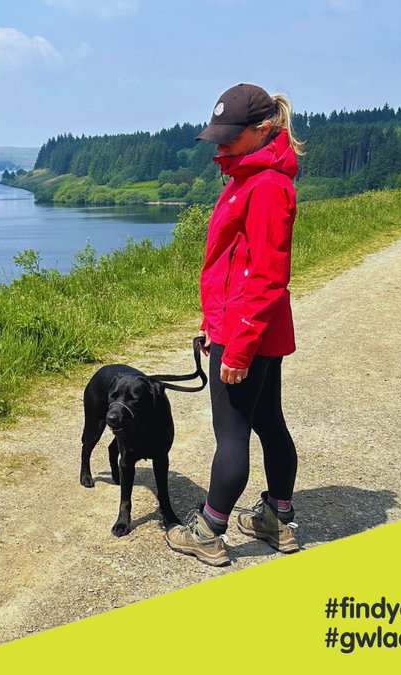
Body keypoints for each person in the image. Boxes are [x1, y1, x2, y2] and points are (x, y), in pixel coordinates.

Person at [165, 83, 304, 566]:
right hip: (249, 324)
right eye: (216, 136)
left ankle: (207, 530)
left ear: (263, 129)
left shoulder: (264, 186)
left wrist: (238, 347)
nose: (219, 145)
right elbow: (233, 262)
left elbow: (267, 275)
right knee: (269, 422)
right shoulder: (252, 176)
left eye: (229, 136)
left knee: (233, 434)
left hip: (247, 330)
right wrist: (211, 317)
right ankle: (276, 519)